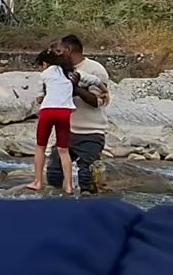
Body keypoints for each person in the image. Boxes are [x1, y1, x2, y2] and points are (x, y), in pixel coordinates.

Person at [46, 34, 111, 194]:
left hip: (90, 133)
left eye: (60, 51)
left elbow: (97, 101)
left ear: (69, 50)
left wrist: (75, 88)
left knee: (86, 178)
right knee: (54, 174)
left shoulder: (96, 70)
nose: (57, 54)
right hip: (66, 131)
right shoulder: (59, 70)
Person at [25, 48, 79, 194]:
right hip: (64, 112)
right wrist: (102, 89)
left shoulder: (44, 74)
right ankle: (68, 185)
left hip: (48, 111)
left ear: (45, 63)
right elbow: (92, 80)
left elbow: (39, 97)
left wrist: (42, 97)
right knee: (63, 149)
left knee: (41, 146)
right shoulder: (70, 72)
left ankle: (38, 182)